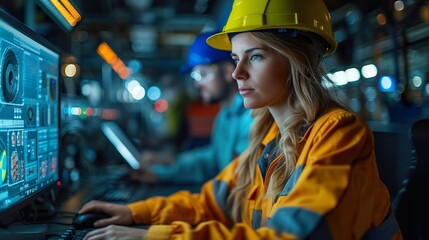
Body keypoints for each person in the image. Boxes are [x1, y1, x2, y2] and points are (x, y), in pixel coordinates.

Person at [79, 0, 403, 239]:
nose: (237, 73)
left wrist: (155, 236)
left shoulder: (339, 134)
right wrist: (134, 213)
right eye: (235, 58)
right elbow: (211, 201)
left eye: (256, 56)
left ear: (297, 61)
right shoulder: (268, 140)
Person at [131, 31, 253, 185]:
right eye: (194, 77)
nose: (197, 84)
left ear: (228, 72)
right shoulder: (224, 116)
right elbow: (212, 159)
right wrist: (169, 163)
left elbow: (238, 180)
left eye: (202, 74)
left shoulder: (251, 117)